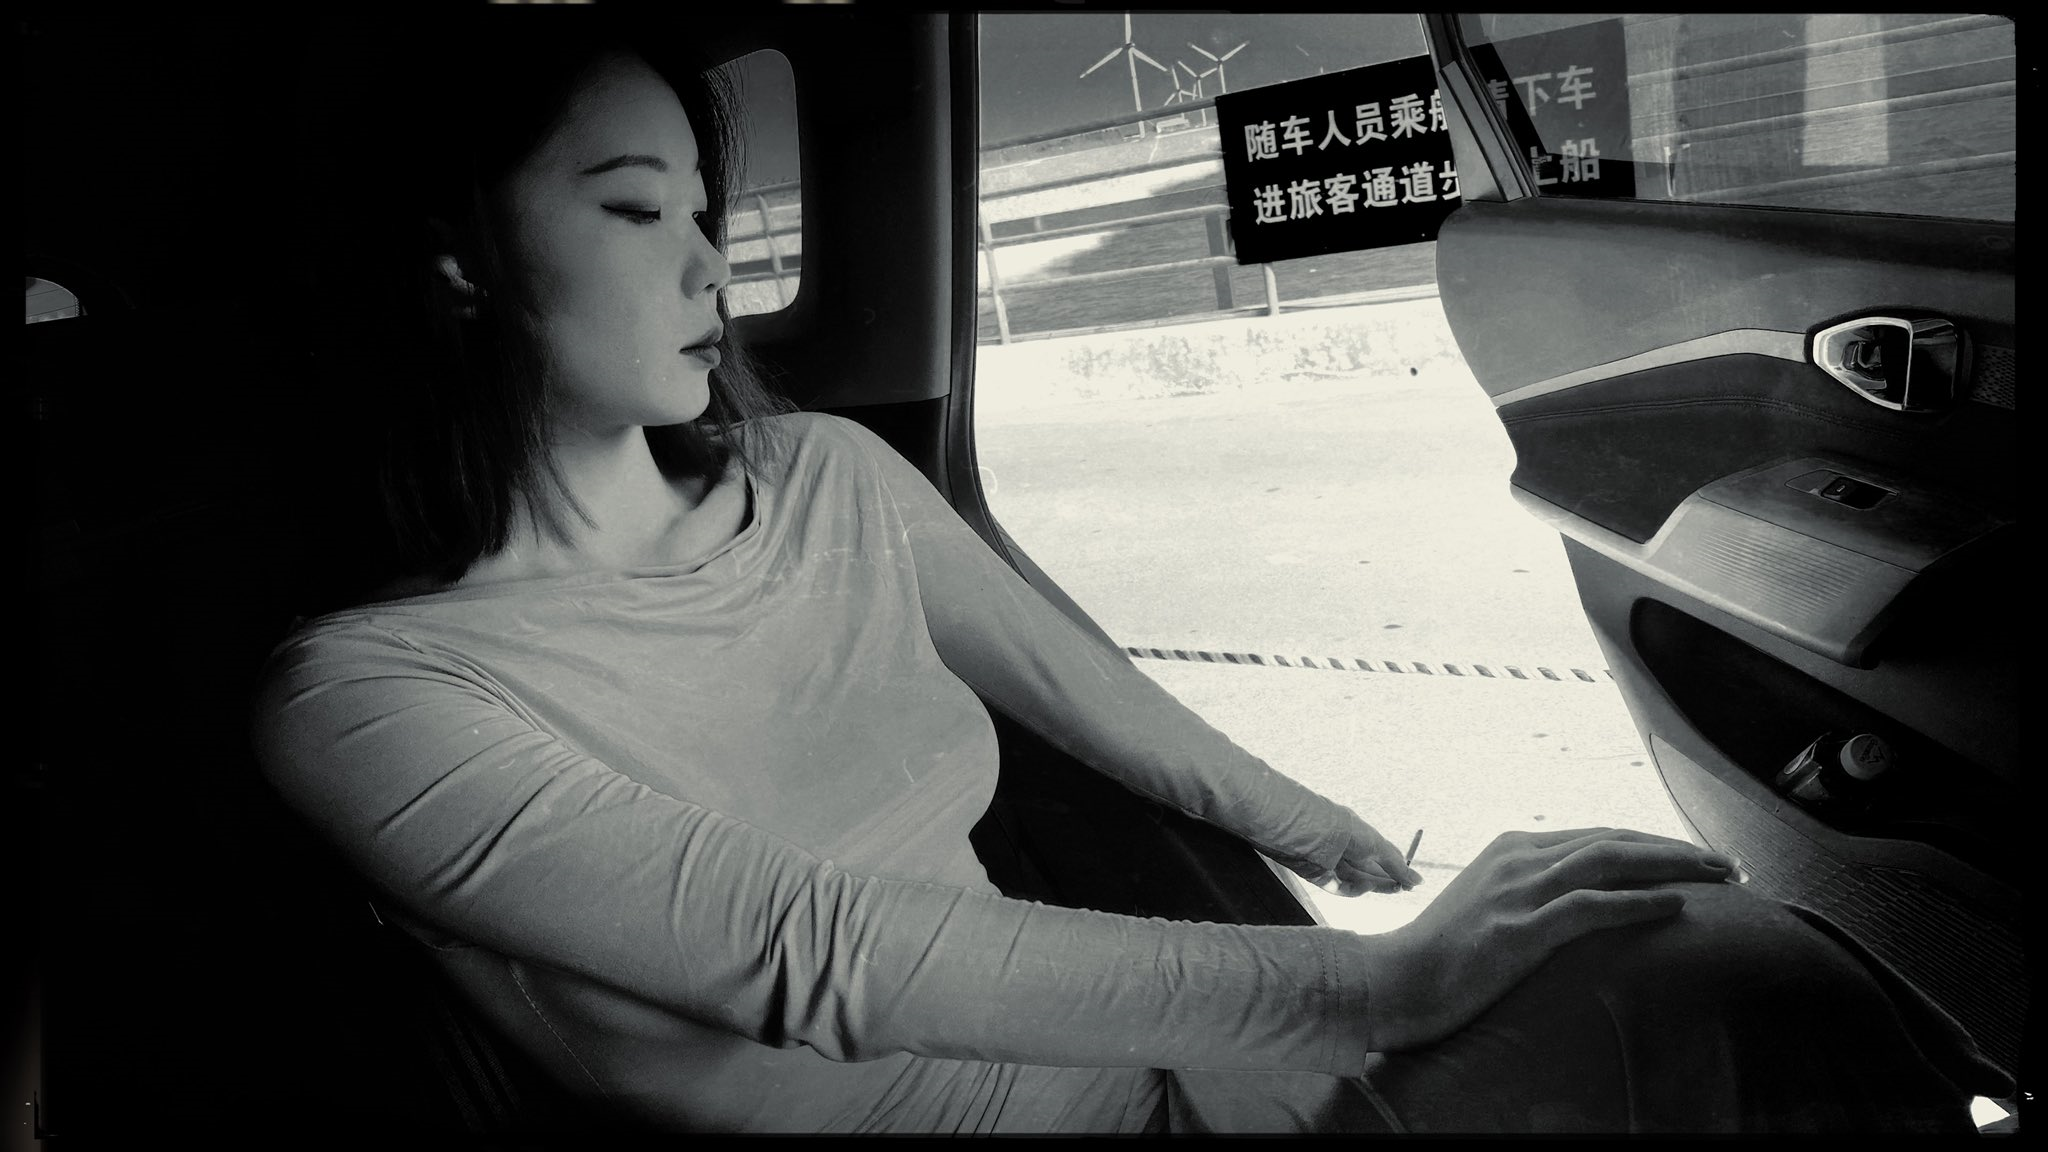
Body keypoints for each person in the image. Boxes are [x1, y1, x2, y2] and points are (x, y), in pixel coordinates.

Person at [252, 12, 2009, 1134]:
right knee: (1732, 1003)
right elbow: (817, 952)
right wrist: (1380, 982)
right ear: (458, 265)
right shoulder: (368, 697)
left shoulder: (823, 475)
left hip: (1184, 1078)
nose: (714, 265)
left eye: (710, 212)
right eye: (638, 211)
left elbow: (1085, 695)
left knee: (1737, 959)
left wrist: (1345, 843)